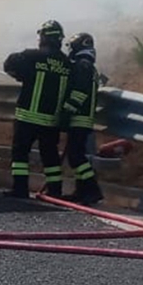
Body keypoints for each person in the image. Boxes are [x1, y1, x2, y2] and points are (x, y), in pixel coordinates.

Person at [1, 20, 72, 198]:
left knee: (20, 153)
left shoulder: (32, 56)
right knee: (50, 156)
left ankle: (20, 189)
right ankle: (55, 191)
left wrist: (20, 75)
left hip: (27, 117)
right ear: (59, 39)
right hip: (51, 121)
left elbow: (9, 65)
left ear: (44, 37)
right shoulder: (67, 64)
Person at [61, 32, 108, 204]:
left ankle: (92, 189)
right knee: (76, 155)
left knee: (76, 157)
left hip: (79, 118)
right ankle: (82, 191)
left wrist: (67, 111)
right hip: (82, 118)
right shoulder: (87, 66)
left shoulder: (82, 66)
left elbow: (79, 92)